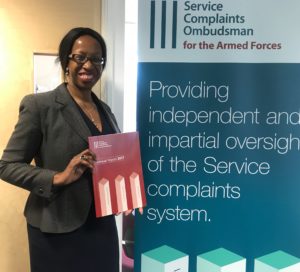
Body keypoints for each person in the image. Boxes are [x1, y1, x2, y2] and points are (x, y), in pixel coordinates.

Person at [0, 27, 125, 272]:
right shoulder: (40, 106)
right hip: (56, 228)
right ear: (66, 60)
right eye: (80, 57)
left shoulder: (106, 111)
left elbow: (111, 162)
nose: (89, 65)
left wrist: (126, 191)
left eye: (97, 59)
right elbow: (7, 166)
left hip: (102, 226)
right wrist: (58, 177)